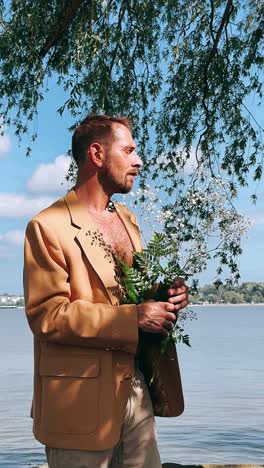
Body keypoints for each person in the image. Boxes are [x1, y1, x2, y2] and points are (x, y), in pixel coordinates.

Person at [23, 114, 189, 468]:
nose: (138, 160)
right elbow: (47, 316)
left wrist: (163, 296)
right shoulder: (46, 226)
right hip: (77, 405)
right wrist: (134, 318)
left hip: (135, 392)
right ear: (97, 155)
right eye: (128, 150)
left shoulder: (128, 220)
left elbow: (132, 295)